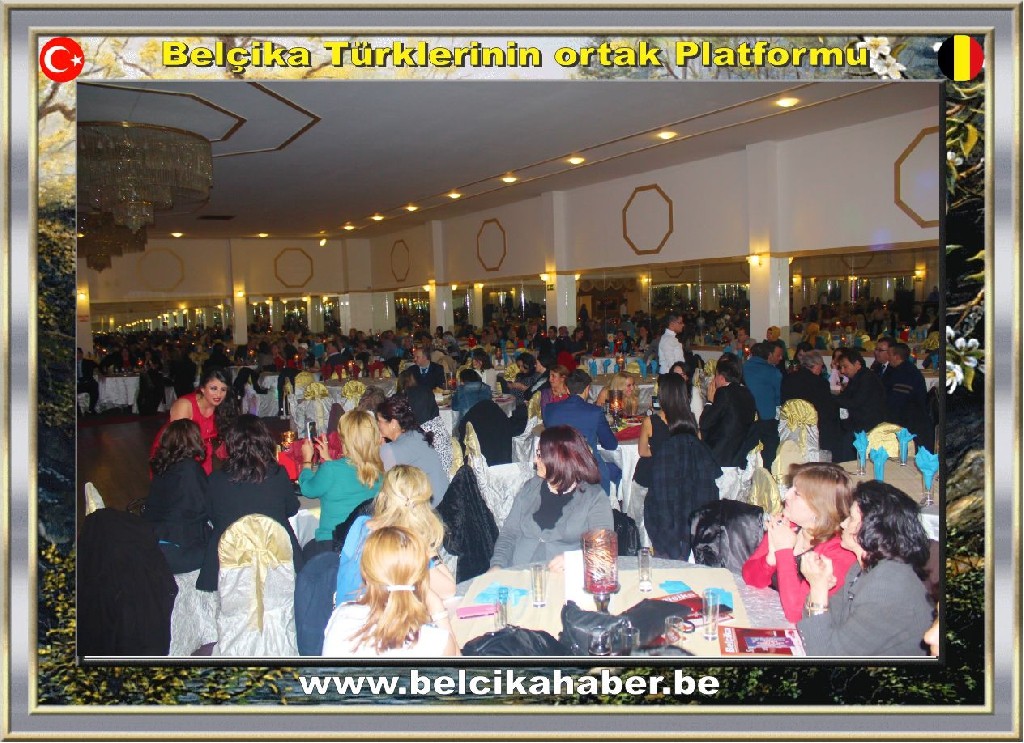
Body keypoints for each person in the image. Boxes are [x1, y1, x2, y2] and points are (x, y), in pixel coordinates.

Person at [798, 480, 934, 656]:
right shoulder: (863, 568)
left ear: (874, 529)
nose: (843, 524)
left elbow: (825, 655)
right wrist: (821, 589)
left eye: (852, 518)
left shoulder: (886, 588)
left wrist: (817, 588)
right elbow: (825, 625)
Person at [197, 415, 303, 591]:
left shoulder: (215, 480)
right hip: (276, 557)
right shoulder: (278, 474)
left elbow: (212, 517)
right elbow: (292, 510)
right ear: (265, 441)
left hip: (230, 560)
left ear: (230, 445)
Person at [742, 463, 856, 623]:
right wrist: (771, 558)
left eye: (796, 493)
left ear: (818, 508)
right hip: (771, 614)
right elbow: (750, 578)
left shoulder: (839, 553)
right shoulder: (790, 526)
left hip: (811, 631)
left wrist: (784, 551)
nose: (786, 495)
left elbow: (797, 613)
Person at [489, 426, 614, 570]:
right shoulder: (530, 488)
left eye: (539, 454)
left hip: (565, 577)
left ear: (559, 459)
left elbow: (603, 549)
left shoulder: (594, 498)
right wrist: (497, 565)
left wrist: (575, 560)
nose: (535, 460)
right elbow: (509, 534)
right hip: (519, 573)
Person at [322, 526, 459, 657]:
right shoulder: (435, 642)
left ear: (365, 573)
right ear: (421, 574)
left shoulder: (341, 616)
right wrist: (439, 612)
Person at [643, 374, 721, 560]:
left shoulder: (655, 425)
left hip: (667, 501)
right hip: (695, 500)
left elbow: (643, 453)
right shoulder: (691, 424)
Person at [298, 410, 384, 559]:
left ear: (345, 440)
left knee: (301, 551)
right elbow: (353, 475)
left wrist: (306, 461)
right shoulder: (380, 471)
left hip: (332, 544)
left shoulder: (331, 470)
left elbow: (307, 489)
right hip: (365, 543)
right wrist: (329, 461)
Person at [143, 419, 211, 574]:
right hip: (178, 548)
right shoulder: (190, 469)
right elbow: (203, 508)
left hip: (153, 539)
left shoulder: (162, 466)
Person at [542, 369, 620, 496]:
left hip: (558, 467)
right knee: (618, 471)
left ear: (567, 389)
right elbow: (611, 445)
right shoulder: (594, 412)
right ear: (587, 389)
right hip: (587, 469)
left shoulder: (550, 409)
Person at [153, 367, 238, 476]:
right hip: (173, 453)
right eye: (213, 388)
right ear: (202, 388)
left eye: (223, 389)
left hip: (203, 453)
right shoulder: (185, 405)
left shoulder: (224, 406)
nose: (218, 394)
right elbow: (177, 444)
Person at [375, 395, 450, 506]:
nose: (377, 425)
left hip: (429, 509)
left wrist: (381, 446)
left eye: (379, 421)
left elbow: (387, 489)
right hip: (446, 501)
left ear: (393, 424)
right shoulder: (417, 434)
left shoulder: (390, 450)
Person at [780, 351, 843, 458]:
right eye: (821, 366)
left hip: (792, 425)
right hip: (814, 426)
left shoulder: (788, 379)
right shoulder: (820, 383)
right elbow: (826, 409)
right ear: (816, 365)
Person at [699, 354, 757, 468]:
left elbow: (705, 423)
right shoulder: (747, 393)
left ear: (721, 377)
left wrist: (709, 402)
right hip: (740, 454)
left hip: (720, 455)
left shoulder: (724, 392)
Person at [835, 349, 888, 461]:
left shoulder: (867, 378)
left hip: (866, 427)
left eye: (845, 367)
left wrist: (832, 399)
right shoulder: (857, 377)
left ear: (857, 364)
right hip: (857, 423)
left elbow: (855, 402)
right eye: (841, 367)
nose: (842, 371)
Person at [885, 342, 933, 449]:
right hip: (908, 419)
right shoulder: (896, 370)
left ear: (897, 357)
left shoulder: (906, 374)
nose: (887, 357)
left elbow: (896, 402)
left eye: (889, 354)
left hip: (912, 424)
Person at [743, 342, 783, 468]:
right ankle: (767, 472)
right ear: (768, 356)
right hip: (766, 417)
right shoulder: (774, 372)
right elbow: (778, 398)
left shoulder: (742, 368)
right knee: (770, 449)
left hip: (746, 416)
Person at [76, 347, 99, 414]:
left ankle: (91, 408)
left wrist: (100, 373)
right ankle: (78, 411)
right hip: (76, 383)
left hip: (86, 382)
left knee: (94, 385)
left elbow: (99, 367)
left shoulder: (88, 362)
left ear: (81, 354)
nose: (77, 355)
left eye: (78, 353)